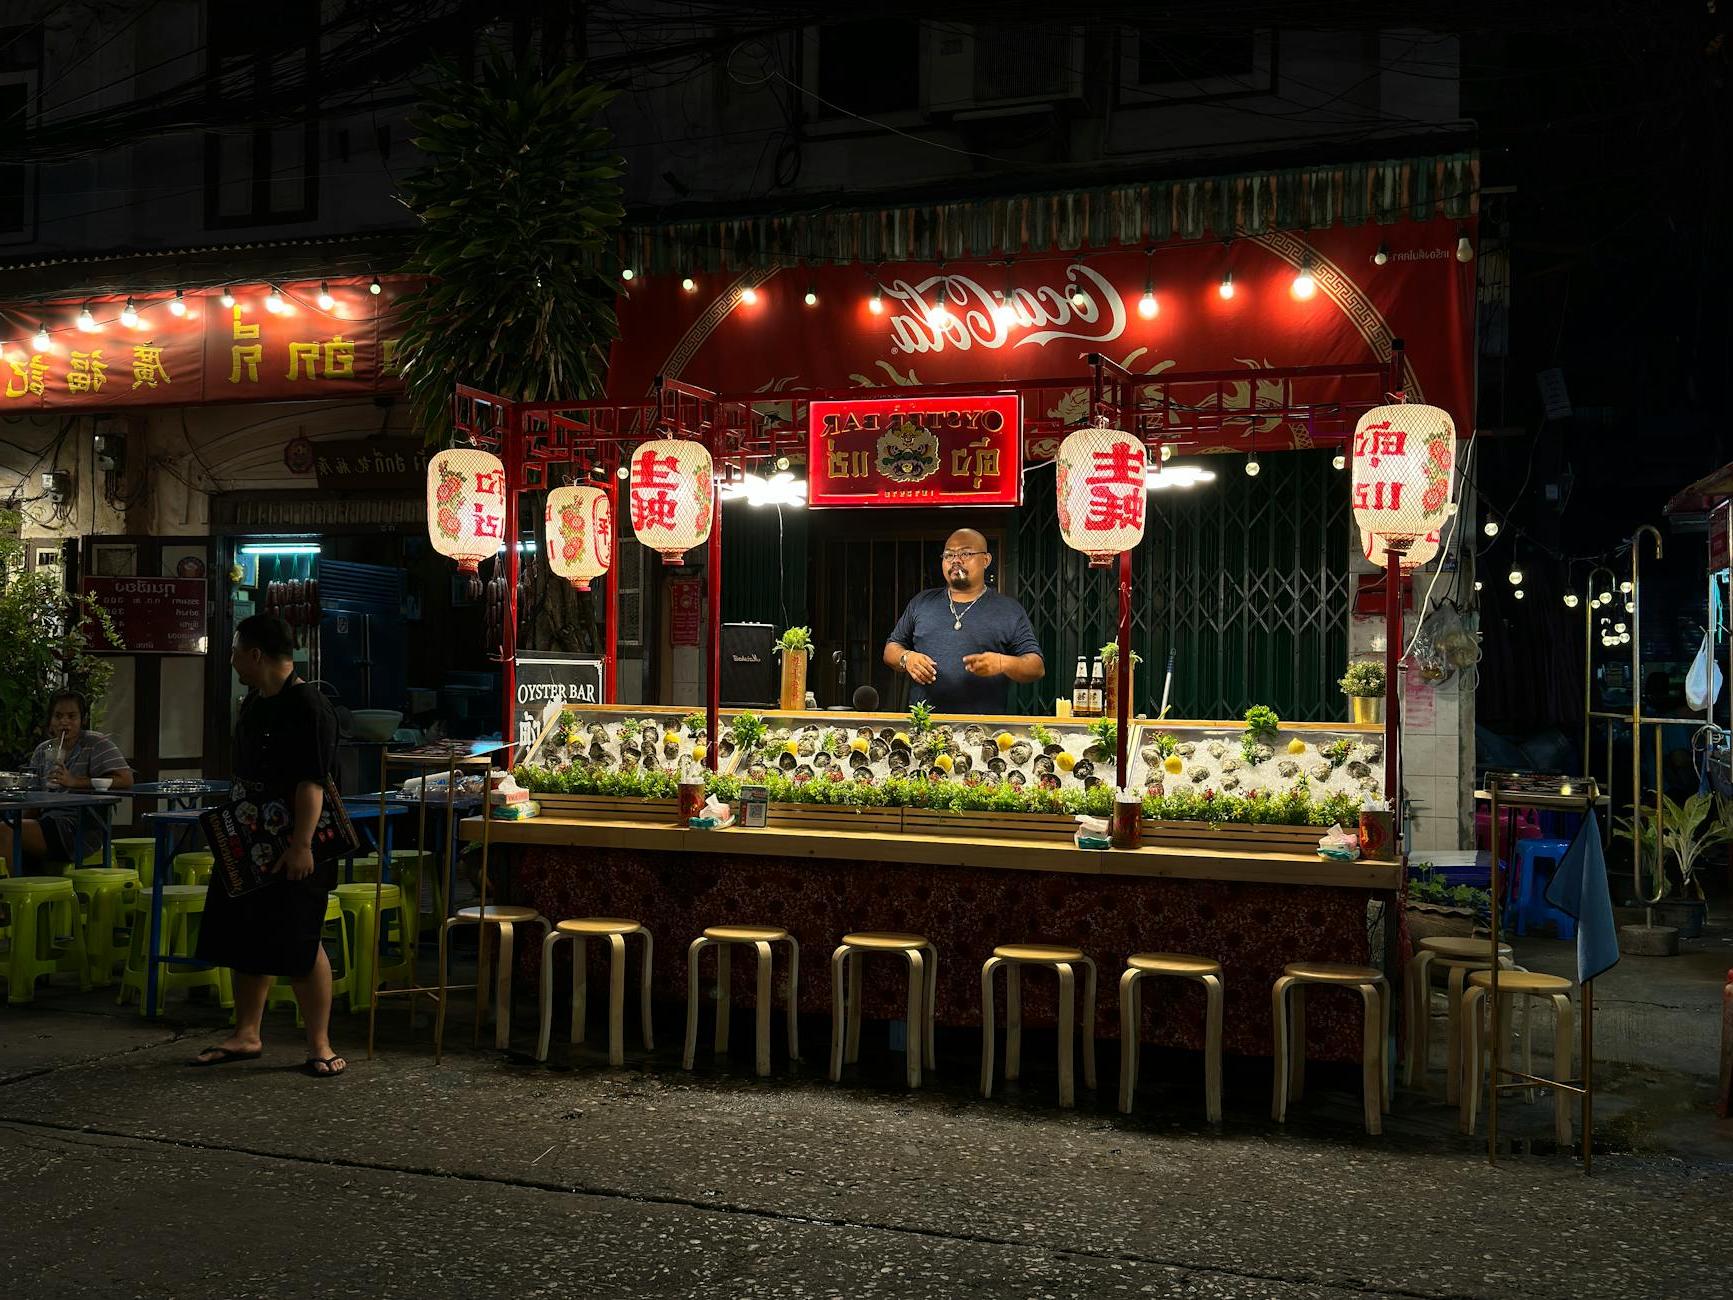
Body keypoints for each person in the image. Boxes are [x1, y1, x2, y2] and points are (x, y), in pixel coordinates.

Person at [190, 614, 346, 1078]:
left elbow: (311, 782)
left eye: (236, 652)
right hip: (246, 836)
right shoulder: (255, 703)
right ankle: (247, 1033)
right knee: (245, 932)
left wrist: (301, 844)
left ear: (255, 653)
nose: (233, 661)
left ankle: (319, 1043)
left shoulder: (309, 706)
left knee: (299, 937)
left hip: (296, 839)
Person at [883, 528, 1044, 714]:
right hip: (924, 726)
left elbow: (1036, 666)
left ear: (986, 560)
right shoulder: (922, 602)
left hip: (983, 729)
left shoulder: (1009, 610)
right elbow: (891, 649)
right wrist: (907, 658)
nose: (956, 560)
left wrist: (1002, 663)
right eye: (949, 555)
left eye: (965, 553)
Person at [3, 690, 132, 875]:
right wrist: (18, 819)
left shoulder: (96, 743)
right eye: (58, 716)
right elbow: (33, 801)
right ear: (50, 720)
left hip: (78, 828)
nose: (64, 722)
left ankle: (9, 896)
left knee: (5, 831)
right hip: (46, 821)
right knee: (7, 828)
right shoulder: (44, 750)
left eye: (72, 716)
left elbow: (126, 779)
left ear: (82, 719)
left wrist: (75, 781)